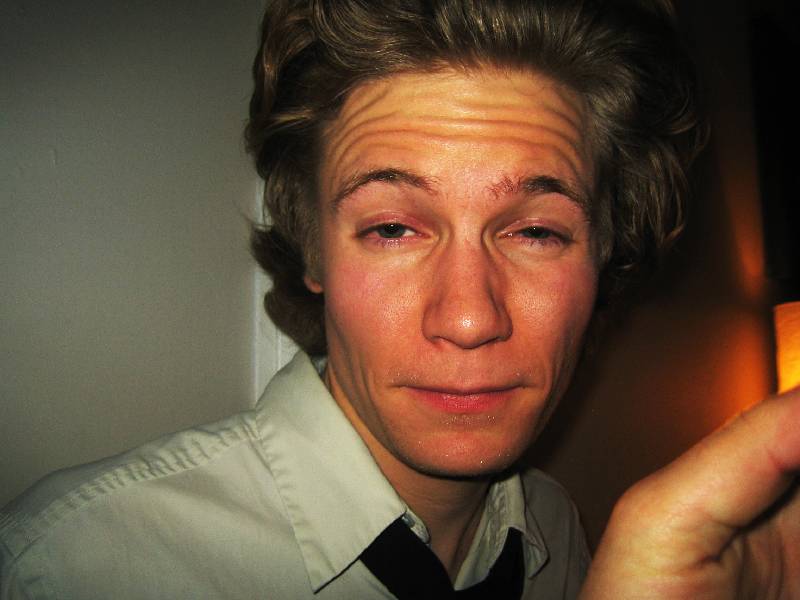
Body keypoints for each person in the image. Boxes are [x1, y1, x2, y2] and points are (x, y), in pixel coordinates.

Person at [1, 0, 798, 598]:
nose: (469, 318)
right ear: (311, 249)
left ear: (603, 261)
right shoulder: (70, 568)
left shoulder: (558, 533)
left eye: (537, 232)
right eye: (391, 228)